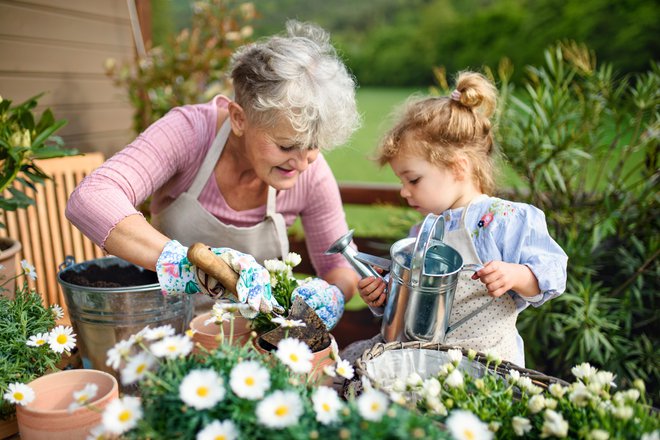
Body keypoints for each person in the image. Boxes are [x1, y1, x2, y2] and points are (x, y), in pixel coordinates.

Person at [66, 21, 361, 330]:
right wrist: (182, 265)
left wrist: (334, 293)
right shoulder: (189, 133)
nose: (303, 162)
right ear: (238, 119)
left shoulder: (311, 173)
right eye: (287, 145)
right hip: (166, 331)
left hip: (256, 341)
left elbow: (340, 265)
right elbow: (91, 197)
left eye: (313, 145)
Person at [357, 71, 567, 366]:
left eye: (413, 180)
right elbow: (412, 304)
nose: (404, 192)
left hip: (487, 362)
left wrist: (518, 275)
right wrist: (385, 294)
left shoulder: (503, 220)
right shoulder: (425, 232)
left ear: (458, 168)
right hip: (427, 360)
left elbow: (554, 271)